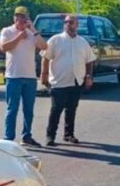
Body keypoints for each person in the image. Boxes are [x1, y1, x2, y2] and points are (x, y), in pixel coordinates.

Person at [40, 15, 96, 146]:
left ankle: (69, 134)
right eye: (66, 22)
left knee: (71, 109)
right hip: (59, 81)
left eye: (71, 22)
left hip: (77, 81)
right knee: (56, 109)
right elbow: (45, 57)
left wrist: (88, 76)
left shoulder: (82, 42)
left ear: (77, 25)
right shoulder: (55, 40)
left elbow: (89, 61)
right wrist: (43, 74)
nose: (68, 24)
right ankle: (50, 136)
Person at [0, 6, 47, 147]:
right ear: (14, 18)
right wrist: (19, 37)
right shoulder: (7, 31)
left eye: (23, 17)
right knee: (12, 108)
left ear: (27, 19)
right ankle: (8, 139)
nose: (20, 19)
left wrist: (33, 30)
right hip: (13, 76)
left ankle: (27, 136)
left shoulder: (32, 34)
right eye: (17, 16)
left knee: (29, 110)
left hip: (30, 77)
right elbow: (4, 47)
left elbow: (44, 46)